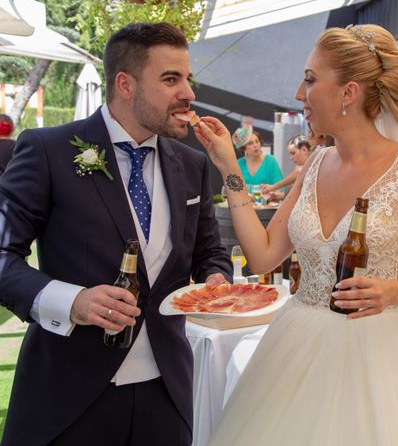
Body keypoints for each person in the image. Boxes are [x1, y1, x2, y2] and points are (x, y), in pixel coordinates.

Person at [195, 24, 398, 445]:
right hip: (295, 347)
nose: (299, 94)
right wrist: (229, 167)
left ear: (348, 92)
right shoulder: (313, 165)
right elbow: (263, 256)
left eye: (310, 79)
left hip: (377, 357)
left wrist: (392, 292)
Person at [0, 23, 232, 446]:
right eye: (170, 79)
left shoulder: (193, 164)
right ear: (125, 84)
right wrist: (73, 301)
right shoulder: (47, 150)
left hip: (167, 393)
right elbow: (3, 257)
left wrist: (217, 279)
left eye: (187, 79)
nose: (188, 94)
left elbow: (209, 252)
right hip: (70, 396)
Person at [261, 134, 311, 200]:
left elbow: (299, 172)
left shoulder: (312, 165)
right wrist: (280, 196)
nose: (291, 157)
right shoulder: (298, 167)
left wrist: (273, 187)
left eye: (293, 153)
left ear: (304, 150)